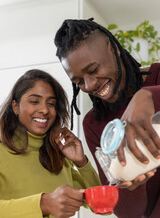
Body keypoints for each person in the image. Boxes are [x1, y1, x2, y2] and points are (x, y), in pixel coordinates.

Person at [54, 18, 160, 218]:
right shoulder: (95, 123)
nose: (90, 85)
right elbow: (128, 213)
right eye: (78, 82)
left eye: (93, 70)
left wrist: (147, 96)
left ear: (114, 49)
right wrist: (132, 185)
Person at [0, 69, 101, 218]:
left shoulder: (57, 154)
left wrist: (81, 162)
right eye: (34, 101)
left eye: (51, 103)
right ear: (15, 106)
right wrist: (43, 204)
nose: (44, 110)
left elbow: (101, 206)